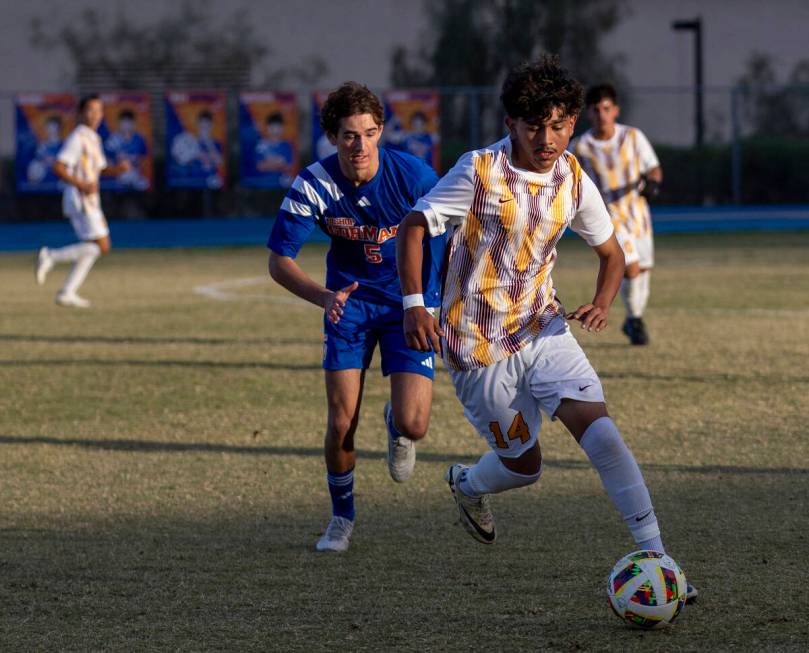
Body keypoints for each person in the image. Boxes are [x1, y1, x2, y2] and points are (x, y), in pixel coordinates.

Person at [396, 57, 696, 600]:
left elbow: (611, 253)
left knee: (603, 436)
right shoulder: (479, 171)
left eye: (559, 124)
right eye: (535, 125)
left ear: (573, 122)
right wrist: (415, 304)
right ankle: (466, 484)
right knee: (525, 465)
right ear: (511, 122)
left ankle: (660, 559)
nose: (548, 137)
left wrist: (605, 302)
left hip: (544, 329)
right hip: (477, 346)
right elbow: (413, 228)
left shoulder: (573, 177)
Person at [267, 82, 445, 553]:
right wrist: (324, 298)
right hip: (348, 306)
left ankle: (397, 425)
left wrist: (430, 303)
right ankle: (341, 518)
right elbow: (279, 261)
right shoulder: (314, 184)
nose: (360, 146)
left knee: (414, 424)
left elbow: (447, 242)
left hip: (408, 302)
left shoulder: (414, 177)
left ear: (381, 132)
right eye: (349, 135)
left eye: (369, 134)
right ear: (331, 136)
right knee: (342, 420)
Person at [571, 84, 662, 345]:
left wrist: (653, 184)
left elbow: (653, 167)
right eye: (596, 109)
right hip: (608, 216)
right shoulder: (581, 147)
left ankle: (635, 317)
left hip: (638, 214)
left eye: (606, 109)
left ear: (616, 111)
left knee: (642, 268)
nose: (602, 115)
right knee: (630, 268)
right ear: (589, 113)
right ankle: (634, 319)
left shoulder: (632, 137)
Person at [35, 94, 131, 307]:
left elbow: (100, 170)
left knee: (93, 247)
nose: (95, 115)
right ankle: (51, 256)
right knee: (102, 245)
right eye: (90, 110)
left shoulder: (93, 138)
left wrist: (119, 169)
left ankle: (67, 292)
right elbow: (58, 166)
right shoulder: (77, 137)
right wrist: (81, 184)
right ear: (80, 113)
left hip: (89, 198)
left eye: (99, 111)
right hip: (80, 198)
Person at [103, 109, 149, 190]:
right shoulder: (113, 140)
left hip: (135, 177)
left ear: (133, 124)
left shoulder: (139, 139)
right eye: (124, 122)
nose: (126, 125)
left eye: (129, 122)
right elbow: (106, 159)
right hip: (117, 179)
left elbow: (144, 158)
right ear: (119, 123)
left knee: (144, 184)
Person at [254, 112, 294, 187]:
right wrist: (279, 163)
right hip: (263, 184)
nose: (275, 130)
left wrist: (269, 163)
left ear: (282, 128)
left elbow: (289, 166)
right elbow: (260, 166)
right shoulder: (260, 145)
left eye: (278, 127)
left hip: (282, 184)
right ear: (267, 128)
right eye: (272, 127)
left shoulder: (287, 146)